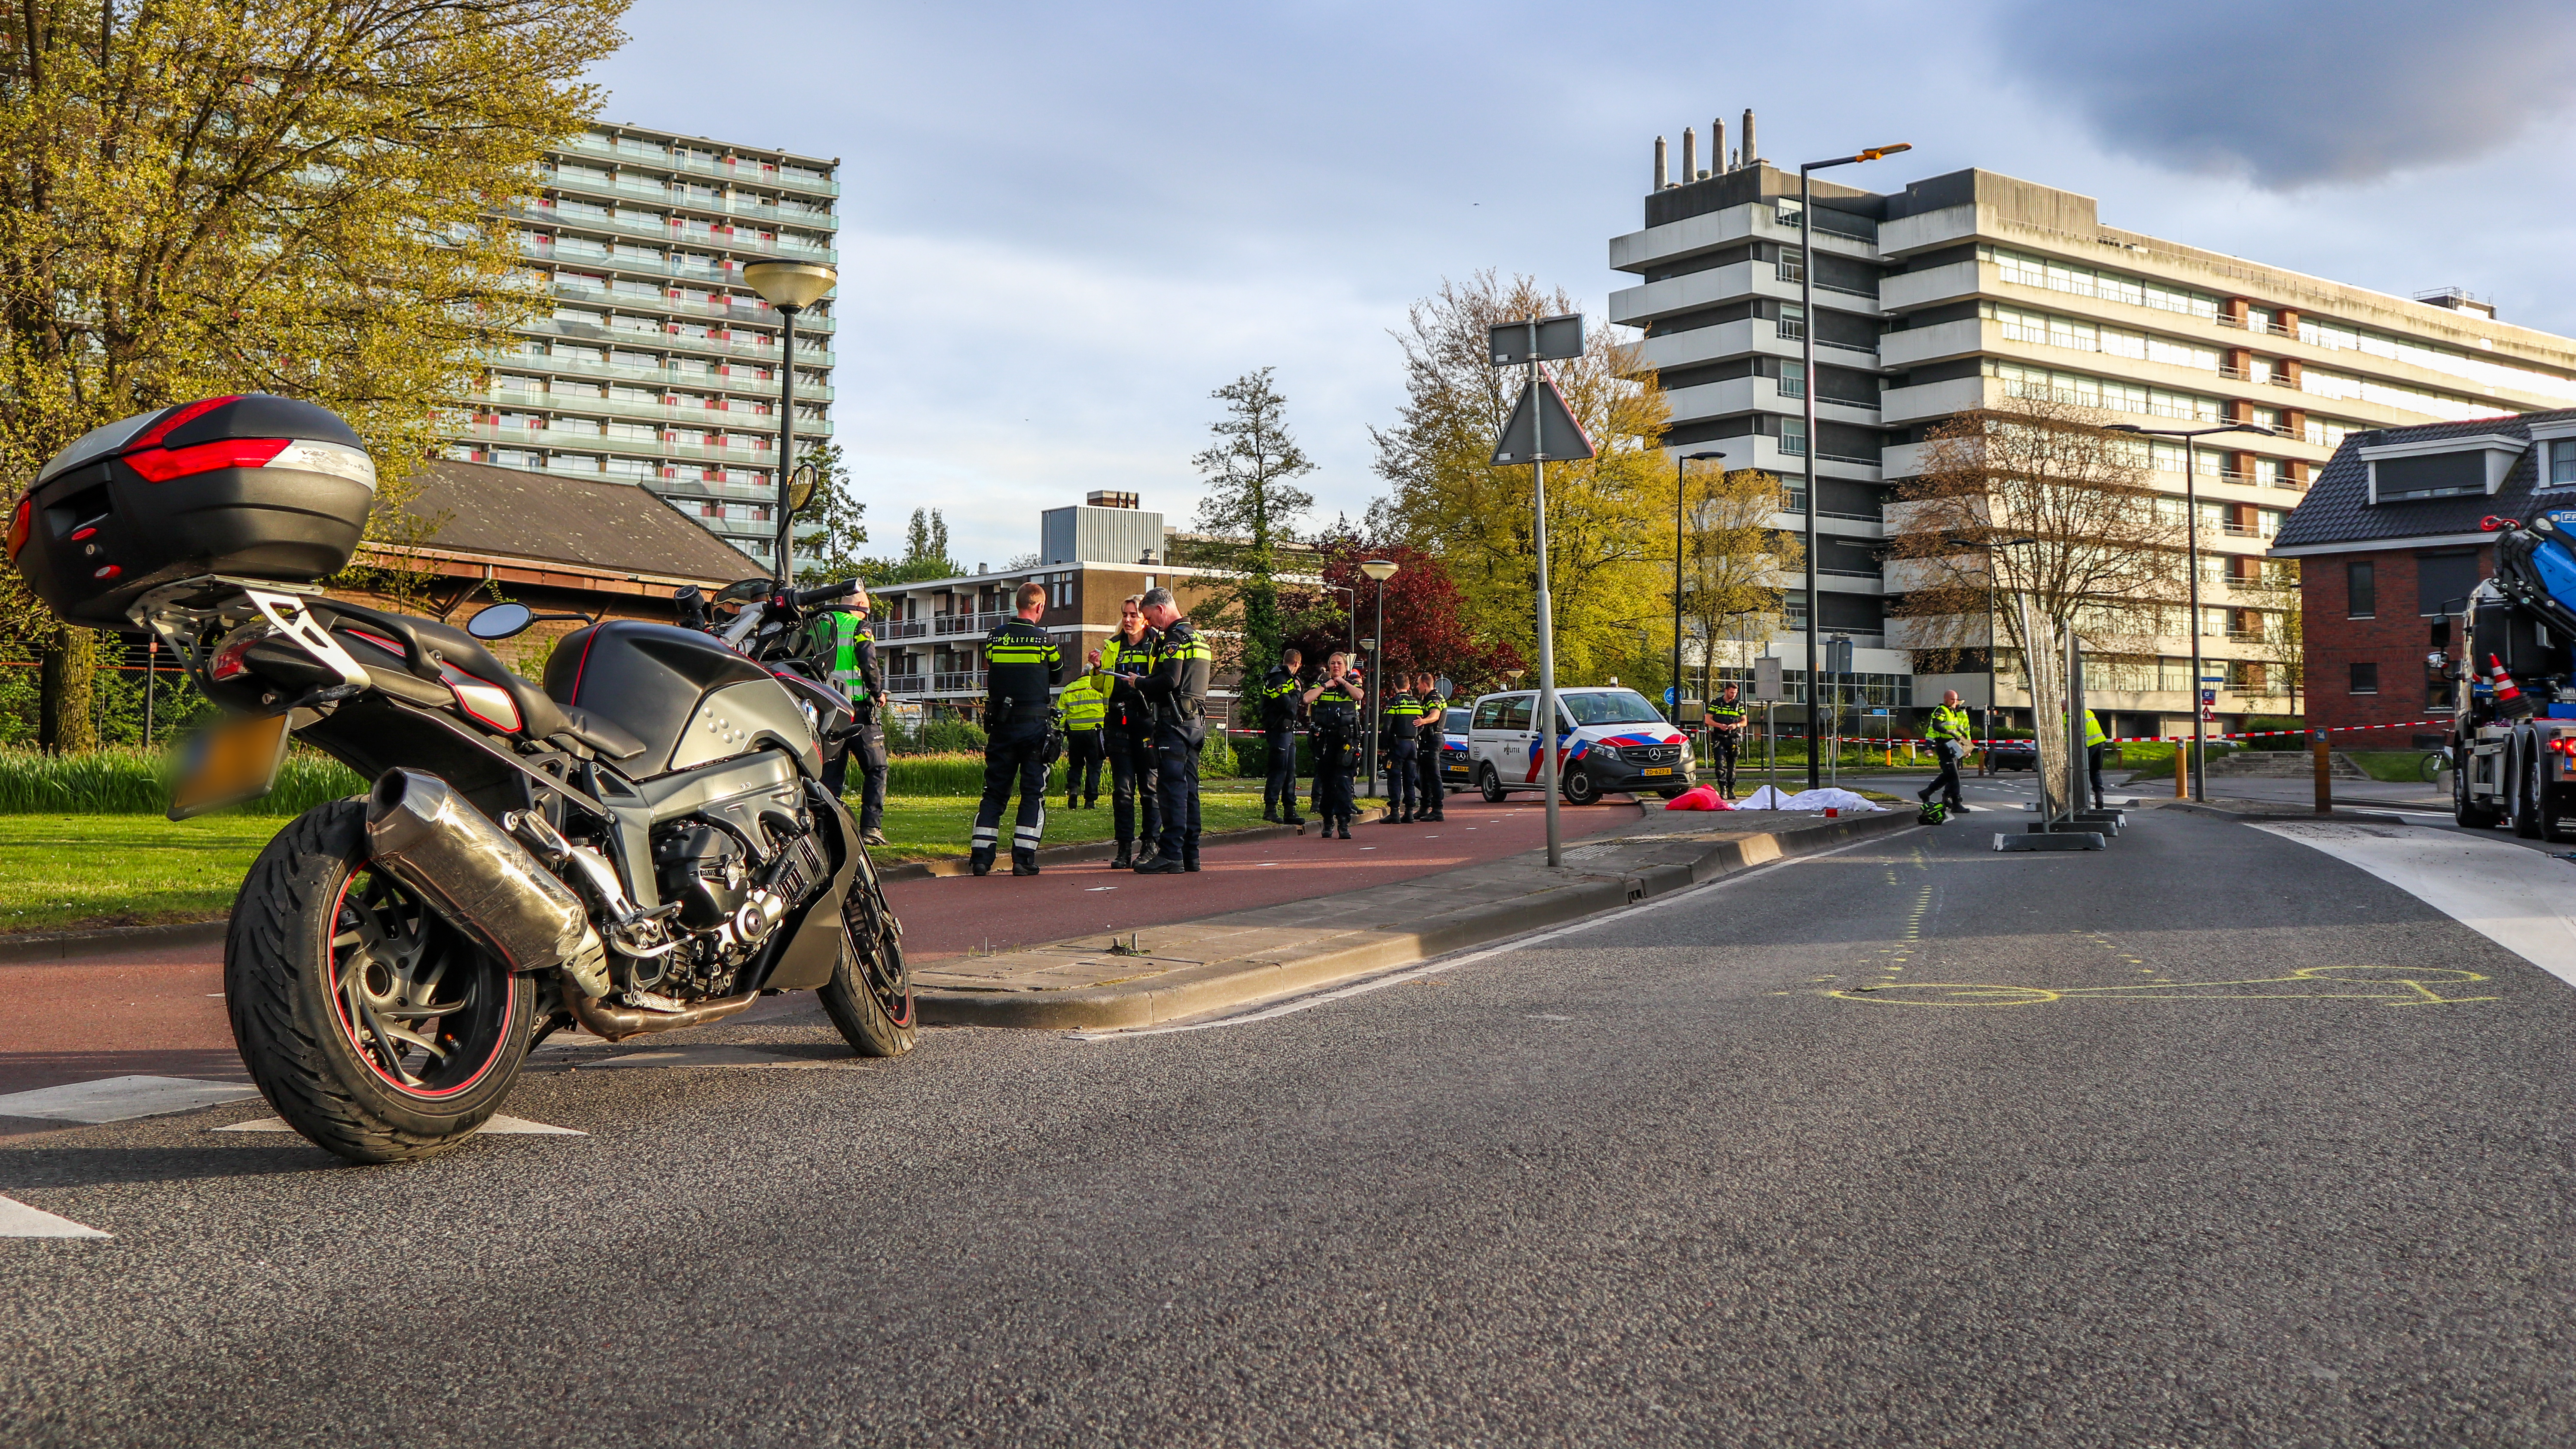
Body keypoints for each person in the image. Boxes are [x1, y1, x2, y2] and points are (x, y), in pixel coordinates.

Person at [970, 580, 1062, 876]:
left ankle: (982, 858)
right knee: (1033, 791)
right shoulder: (1045, 641)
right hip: (1034, 726)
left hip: (1001, 724)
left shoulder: (995, 638)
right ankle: (1023, 859)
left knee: (994, 791)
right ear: (1040, 607)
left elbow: (991, 665)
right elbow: (1058, 675)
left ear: (1017, 604)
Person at [1126, 586, 1210, 873]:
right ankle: (1191, 853)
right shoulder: (1198, 637)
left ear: (1161, 610)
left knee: (1172, 788)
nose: (1150, 625)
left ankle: (1171, 853)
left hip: (1174, 723)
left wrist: (1139, 683)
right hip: (1196, 721)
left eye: (1150, 618)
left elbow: (1170, 681)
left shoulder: (1174, 638)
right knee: (1190, 788)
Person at [805, 586, 890, 845]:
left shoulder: (819, 627)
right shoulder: (859, 628)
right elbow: (868, 663)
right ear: (860, 606)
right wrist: (877, 692)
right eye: (867, 609)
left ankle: (826, 832)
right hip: (858, 711)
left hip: (827, 712)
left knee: (831, 774)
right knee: (877, 767)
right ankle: (871, 829)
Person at [1096, 595, 1161, 869]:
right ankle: (1124, 847)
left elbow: (1164, 681)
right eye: (1125, 615)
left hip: (1147, 723)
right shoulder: (1113, 646)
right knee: (1122, 790)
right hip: (1118, 723)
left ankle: (1150, 845)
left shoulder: (1156, 646)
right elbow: (1100, 685)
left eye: (1133, 615)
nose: (1128, 620)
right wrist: (1098, 669)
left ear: (1145, 618)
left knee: (1149, 788)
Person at [1303, 652, 1364, 839]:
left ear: (1345, 668)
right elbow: (1307, 699)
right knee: (1327, 783)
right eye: (1332, 664)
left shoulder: (1351, 685)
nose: (1336, 666)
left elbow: (1359, 696)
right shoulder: (1322, 685)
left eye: (1339, 664)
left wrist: (1343, 682)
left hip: (1346, 743)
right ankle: (1328, 822)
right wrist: (1325, 685)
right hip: (1326, 742)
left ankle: (1344, 823)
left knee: (1344, 782)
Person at [1256, 648, 1306, 830]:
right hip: (1279, 730)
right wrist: (1297, 693)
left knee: (1290, 771)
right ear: (1297, 664)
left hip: (1287, 730)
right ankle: (1270, 809)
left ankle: (1290, 810)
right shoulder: (1278, 679)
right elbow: (1289, 707)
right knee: (1279, 770)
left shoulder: (1285, 678)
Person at [1059, 665, 1109, 809]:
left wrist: (1062, 728)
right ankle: (1090, 801)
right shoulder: (1101, 688)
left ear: (1082, 673)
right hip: (1096, 733)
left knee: (1076, 765)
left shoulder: (1070, 688)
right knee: (1094, 767)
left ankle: (1074, 789)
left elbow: (1061, 714)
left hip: (1075, 733)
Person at [1379, 674, 1425, 823]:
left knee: (1394, 777)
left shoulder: (1394, 703)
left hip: (1398, 744)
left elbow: (1387, 726)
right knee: (1409, 778)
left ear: (1395, 686)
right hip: (1412, 744)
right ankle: (1410, 813)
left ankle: (1394, 813)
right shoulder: (1417, 703)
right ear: (1409, 686)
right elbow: (1422, 724)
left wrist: (1383, 746)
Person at [1919, 689, 1973, 815]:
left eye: (1956, 700)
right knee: (1953, 776)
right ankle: (1956, 803)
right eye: (1952, 700)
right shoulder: (1941, 711)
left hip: (1954, 746)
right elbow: (1935, 727)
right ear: (1946, 699)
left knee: (1948, 775)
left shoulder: (1954, 713)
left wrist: (1967, 747)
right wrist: (1929, 747)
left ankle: (1927, 793)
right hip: (1944, 745)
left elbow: (1964, 732)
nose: (1955, 702)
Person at [1412, 673, 1447, 822]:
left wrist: (1423, 722)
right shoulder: (1429, 698)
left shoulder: (1434, 698)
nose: (1417, 687)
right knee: (1424, 776)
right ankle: (1424, 808)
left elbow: (1436, 715)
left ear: (1425, 685)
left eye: (1419, 684)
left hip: (1433, 738)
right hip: (1427, 739)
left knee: (1434, 775)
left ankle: (1438, 810)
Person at [1704, 684, 1746, 797]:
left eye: (1736, 693)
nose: (1734, 695)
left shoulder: (1738, 705)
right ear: (1726, 691)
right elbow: (1708, 719)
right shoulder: (1716, 703)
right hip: (1719, 737)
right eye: (1732, 692)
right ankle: (1723, 789)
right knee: (1719, 764)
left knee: (1732, 765)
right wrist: (1719, 725)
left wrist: (1736, 725)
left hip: (1733, 738)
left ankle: (1731, 789)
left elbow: (1745, 721)